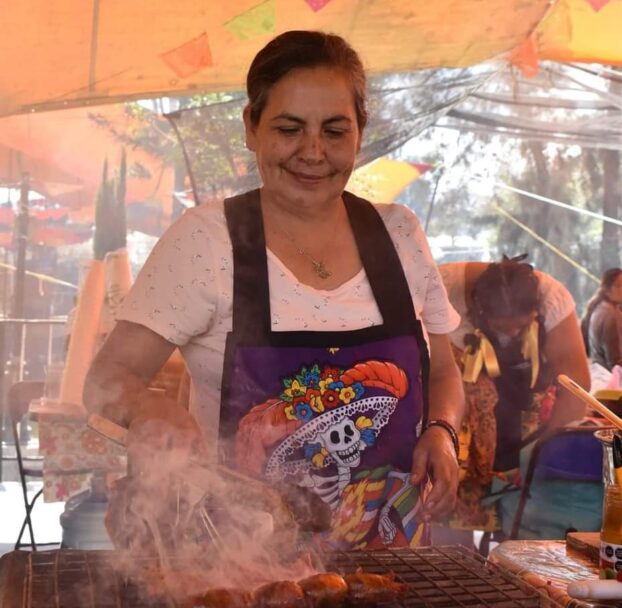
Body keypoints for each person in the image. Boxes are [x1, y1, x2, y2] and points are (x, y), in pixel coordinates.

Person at [84, 30, 464, 549]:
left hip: (393, 562)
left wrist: (443, 430)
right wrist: (148, 407)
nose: (313, 152)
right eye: (289, 128)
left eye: (335, 130)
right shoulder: (207, 240)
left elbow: (441, 368)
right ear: (251, 127)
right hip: (241, 566)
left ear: (360, 132)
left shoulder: (400, 235)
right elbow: (109, 377)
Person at [438, 257, 591, 538]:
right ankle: (451, 555)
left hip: (523, 419)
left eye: (521, 327)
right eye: (502, 327)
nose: (511, 334)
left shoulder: (552, 301)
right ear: (478, 310)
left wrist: (539, 456)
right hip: (459, 419)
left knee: (518, 518)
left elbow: (576, 387)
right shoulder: (440, 290)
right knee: (447, 521)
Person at [581, 268, 622, 372]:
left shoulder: (601, 307)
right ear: (607, 288)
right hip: (611, 379)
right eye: (619, 286)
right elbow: (614, 361)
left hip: (600, 374)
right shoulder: (609, 314)